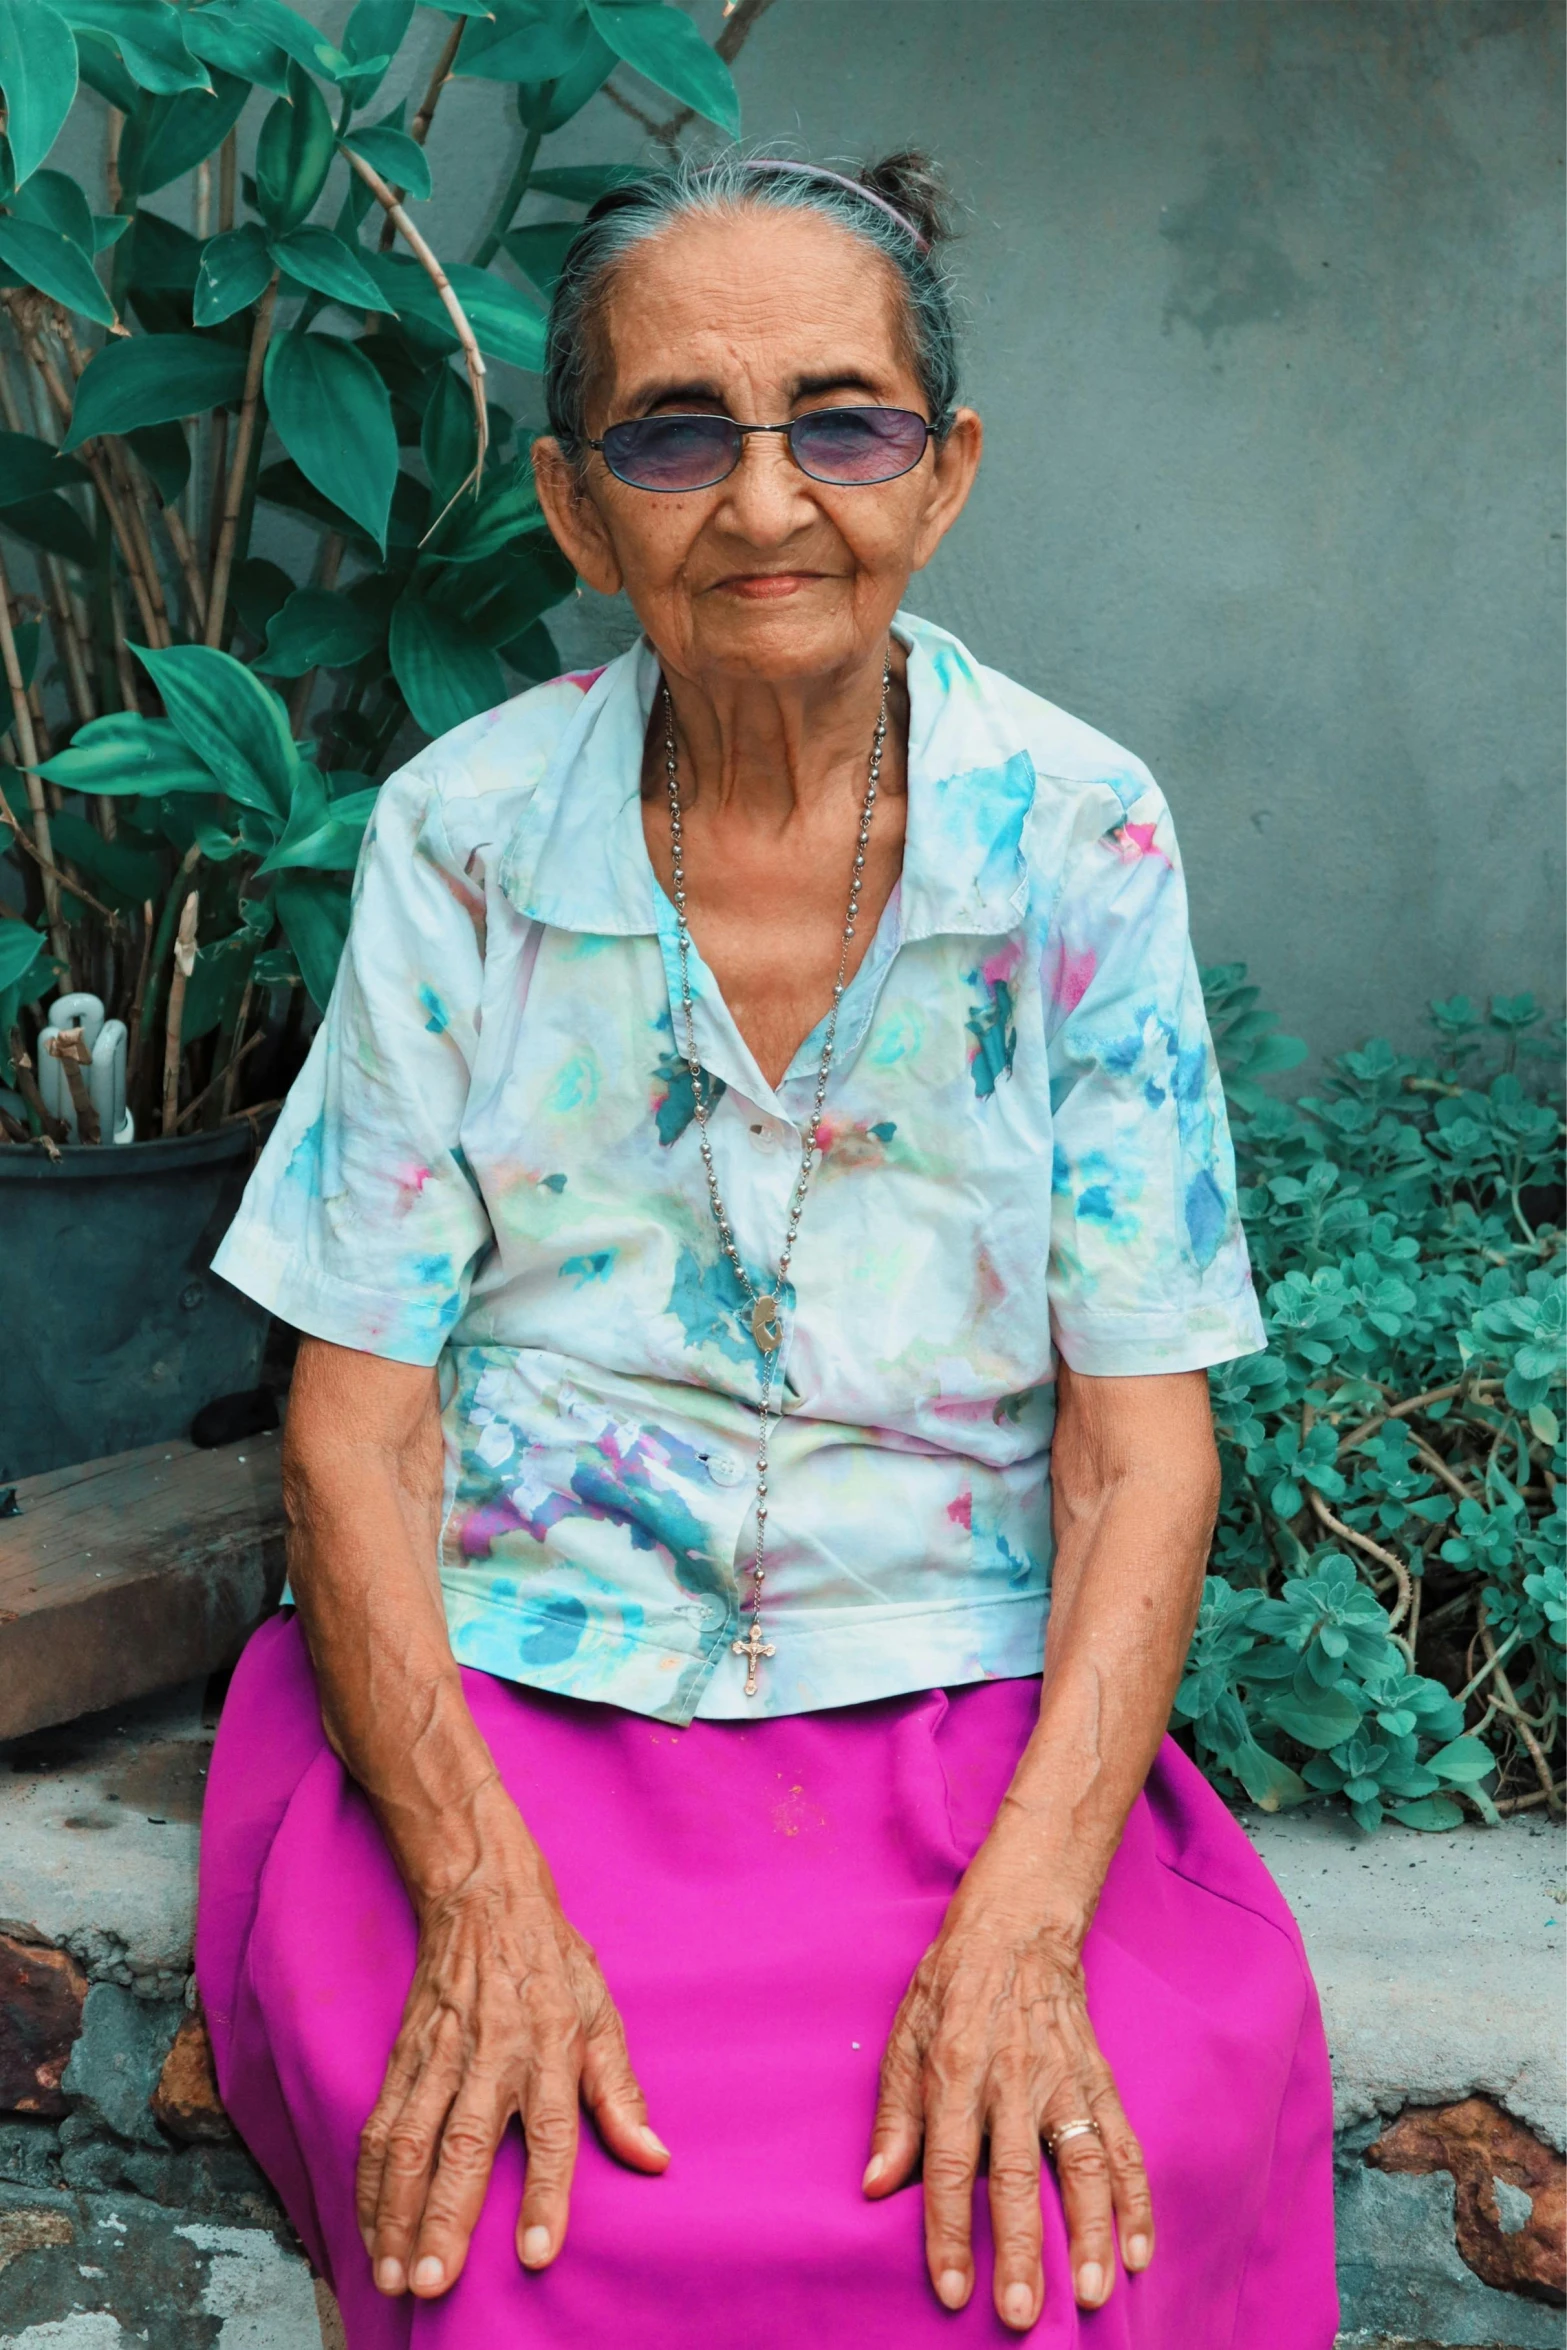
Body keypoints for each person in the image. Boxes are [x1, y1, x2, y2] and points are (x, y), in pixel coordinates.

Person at [197, 151, 1337, 2347]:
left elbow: (1138, 1447)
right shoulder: (465, 841)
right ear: (573, 502)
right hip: (520, 1685)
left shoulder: (1079, 831)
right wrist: (479, 1897)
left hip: (954, 1705)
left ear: (946, 471)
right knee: (538, 2204)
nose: (766, 501)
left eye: (843, 420)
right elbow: (352, 1427)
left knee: (1080, 2193)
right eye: (675, 432)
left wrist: (1023, 1919)